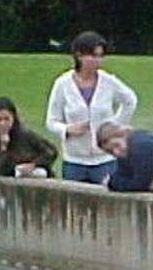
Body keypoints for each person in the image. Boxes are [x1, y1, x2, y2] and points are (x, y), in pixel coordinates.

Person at [45, 30, 138, 185]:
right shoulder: (62, 84)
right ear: (79, 55)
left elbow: (130, 100)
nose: (97, 61)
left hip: (104, 159)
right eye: (93, 56)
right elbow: (51, 121)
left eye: (100, 56)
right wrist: (67, 129)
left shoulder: (108, 81)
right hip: (74, 160)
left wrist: (114, 126)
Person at [0, 97, 58, 178]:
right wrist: (4, 148)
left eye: (6, 119)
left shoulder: (25, 135)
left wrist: (33, 164)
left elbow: (51, 152)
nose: (3, 124)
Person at [96, 122, 153, 192]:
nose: (116, 152)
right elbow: (120, 175)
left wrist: (111, 183)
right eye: (111, 152)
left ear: (123, 135)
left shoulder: (141, 146)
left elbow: (139, 184)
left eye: (116, 145)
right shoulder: (125, 153)